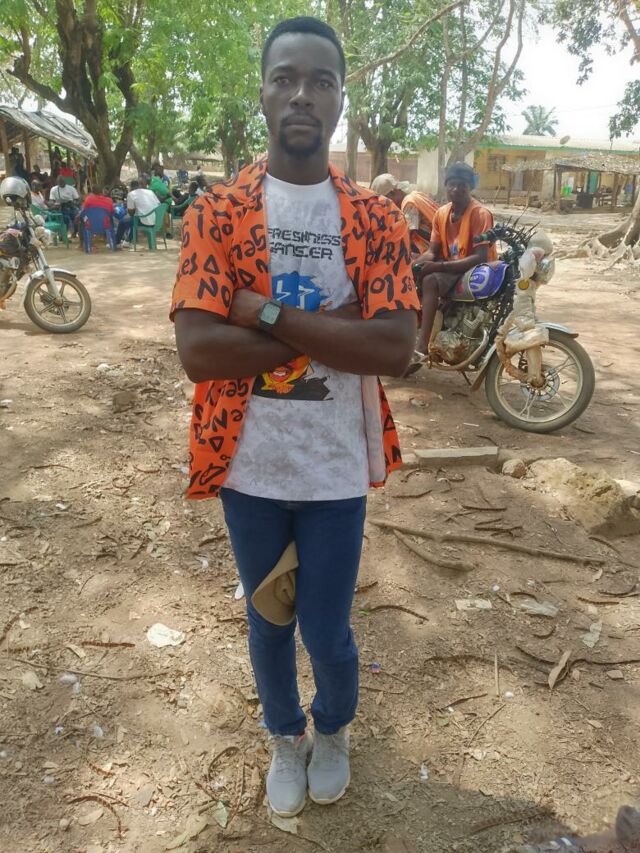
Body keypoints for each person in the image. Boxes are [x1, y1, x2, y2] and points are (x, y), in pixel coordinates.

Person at [171, 15, 418, 820]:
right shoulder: (219, 211)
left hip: (334, 467)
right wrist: (331, 329)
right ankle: (285, 736)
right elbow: (200, 350)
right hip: (248, 466)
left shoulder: (374, 218)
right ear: (264, 94)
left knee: (327, 628)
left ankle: (333, 728)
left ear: (341, 99)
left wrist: (266, 311)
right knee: (268, 621)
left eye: (321, 80)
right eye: (286, 78)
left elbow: (394, 345)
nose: (302, 94)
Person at [411, 161, 496, 366]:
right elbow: (432, 252)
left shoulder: (480, 214)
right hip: (453, 269)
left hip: (476, 271)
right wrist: (411, 266)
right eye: (452, 184)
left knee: (431, 280)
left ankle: (422, 346)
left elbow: (480, 257)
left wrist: (438, 267)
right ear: (446, 186)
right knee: (412, 275)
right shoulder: (441, 213)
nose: (456, 189)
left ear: (470, 187)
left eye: (462, 185)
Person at [371, 173, 439, 255]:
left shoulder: (409, 203)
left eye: (386, 200)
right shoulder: (415, 195)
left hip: (436, 245)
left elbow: (407, 234)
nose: (385, 205)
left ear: (393, 192)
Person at [115, 178, 160, 246]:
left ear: (131, 187)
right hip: (157, 220)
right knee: (135, 218)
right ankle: (128, 240)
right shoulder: (150, 192)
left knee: (123, 221)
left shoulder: (131, 194)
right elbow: (158, 204)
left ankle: (117, 243)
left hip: (145, 222)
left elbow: (131, 213)